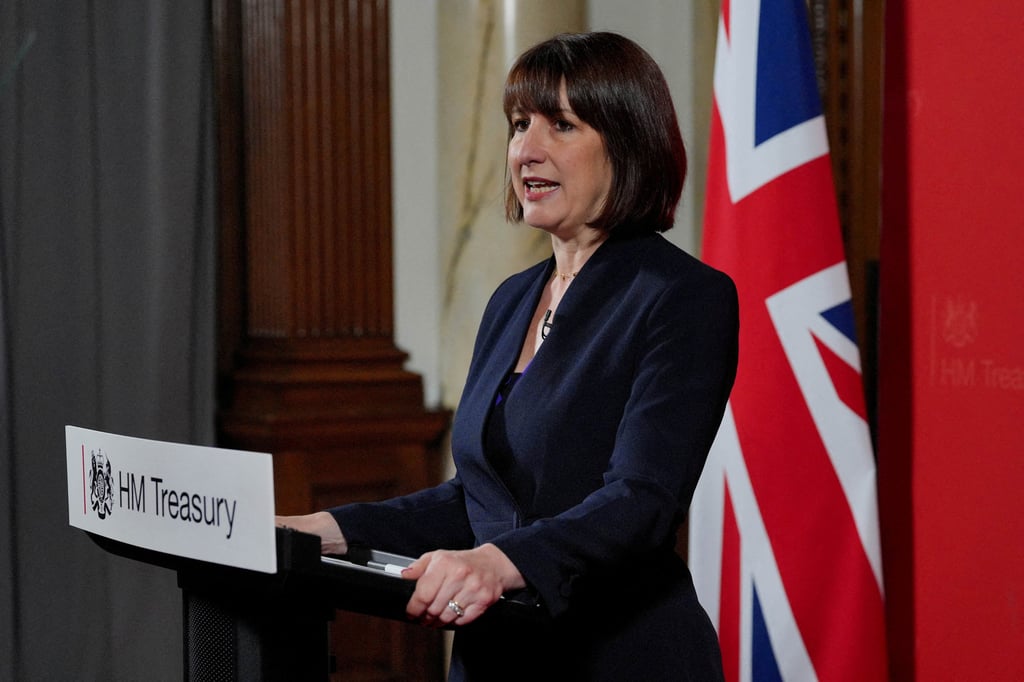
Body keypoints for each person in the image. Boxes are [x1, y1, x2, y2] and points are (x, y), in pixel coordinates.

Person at [278, 31, 738, 681]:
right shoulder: (513, 299)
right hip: (498, 658)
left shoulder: (683, 297)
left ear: (628, 142)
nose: (527, 149)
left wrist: (495, 563)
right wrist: (320, 529)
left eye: (561, 124)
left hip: (620, 658)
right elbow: (476, 499)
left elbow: (642, 500)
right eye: (520, 124)